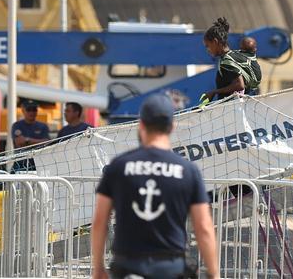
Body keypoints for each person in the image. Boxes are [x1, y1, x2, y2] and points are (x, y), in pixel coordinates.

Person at [91, 94, 219, 279]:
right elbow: (203, 226)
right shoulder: (188, 171)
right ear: (172, 126)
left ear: (141, 124)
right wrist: (214, 274)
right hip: (170, 268)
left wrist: (98, 269)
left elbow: (100, 221)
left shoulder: (118, 167)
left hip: (127, 266)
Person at [200, 17, 261, 103]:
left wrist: (214, 92)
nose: (208, 50)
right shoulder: (236, 55)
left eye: (208, 46)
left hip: (232, 110)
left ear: (215, 42)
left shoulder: (226, 62)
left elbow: (239, 85)